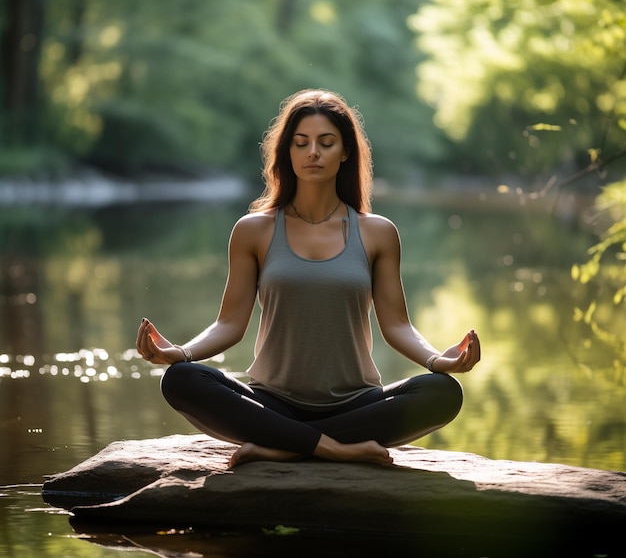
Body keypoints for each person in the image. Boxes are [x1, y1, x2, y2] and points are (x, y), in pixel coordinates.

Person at [135, 88, 481, 468]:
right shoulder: (254, 230)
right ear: (288, 152)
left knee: (442, 392)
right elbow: (230, 324)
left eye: (326, 142)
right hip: (272, 401)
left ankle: (279, 444)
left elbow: (397, 325)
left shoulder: (377, 232)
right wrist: (180, 353)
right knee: (181, 379)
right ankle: (336, 449)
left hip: (355, 402)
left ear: (345, 152)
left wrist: (436, 360)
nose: (312, 152)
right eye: (301, 143)